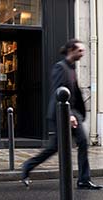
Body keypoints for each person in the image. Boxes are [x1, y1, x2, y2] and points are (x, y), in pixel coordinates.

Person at [21, 39, 102, 189]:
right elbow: (59, 93)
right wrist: (69, 114)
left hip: (73, 113)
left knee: (83, 143)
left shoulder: (71, 68)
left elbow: (74, 92)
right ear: (71, 50)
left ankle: (84, 180)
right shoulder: (60, 67)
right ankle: (27, 166)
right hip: (61, 113)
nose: (82, 54)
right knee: (53, 147)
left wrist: (76, 113)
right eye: (80, 51)